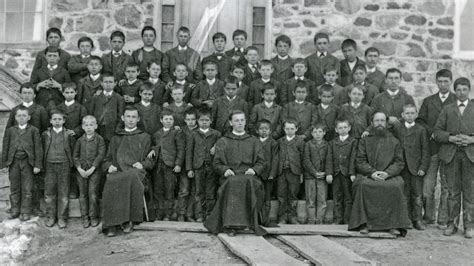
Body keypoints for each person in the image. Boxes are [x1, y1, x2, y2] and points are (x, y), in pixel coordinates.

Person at [349, 112, 411, 236]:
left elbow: (399, 162)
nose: (379, 123)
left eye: (382, 121)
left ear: (387, 123)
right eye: (377, 121)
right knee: (362, 186)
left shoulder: (394, 141)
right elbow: (360, 161)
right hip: (369, 174)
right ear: (372, 123)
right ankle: (364, 223)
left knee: (396, 186)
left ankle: (393, 225)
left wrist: (387, 173)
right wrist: (372, 173)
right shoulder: (365, 140)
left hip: (389, 175)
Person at [204, 110, 265, 235]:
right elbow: (217, 163)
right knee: (232, 184)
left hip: (248, 176)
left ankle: (248, 223)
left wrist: (254, 170)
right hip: (230, 176)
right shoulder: (223, 141)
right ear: (231, 123)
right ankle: (230, 225)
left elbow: (261, 162)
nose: (240, 123)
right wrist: (225, 170)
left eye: (242, 120)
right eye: (237, 120)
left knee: (251, 184)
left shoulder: (253, 141)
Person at [102, 106, 153, 236]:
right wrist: (109, 166)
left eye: (133, 117)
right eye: (128, 117)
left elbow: (150, 160)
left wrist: (142, 164)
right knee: (111, 179)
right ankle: (112, 223)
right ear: (123, 118)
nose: (131, 120)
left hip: (136, 171)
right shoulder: (116, 138)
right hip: (119, 170)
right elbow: (106, 159)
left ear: (138, 119)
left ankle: (128, 221)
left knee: (131, 177)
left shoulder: (145, 137)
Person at [433, 77, 474, 239]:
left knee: (471, 193)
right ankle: (452, 224)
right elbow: (437, 132)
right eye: (458, 90)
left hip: (471, 156)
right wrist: (451, 138)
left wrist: (471, 139)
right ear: (454, 91)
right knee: (452, 192)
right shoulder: (447, 109)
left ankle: (470, 225)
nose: (461, 92)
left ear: (469, 90)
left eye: (464, 89)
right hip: (451, 156)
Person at [416, 69, 456, 228]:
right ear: (436, 82)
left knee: (447, 186)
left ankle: (443, 219)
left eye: (446, 81)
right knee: (428, 186)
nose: (443, 84)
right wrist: (432, 133)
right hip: (431, 148)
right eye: (440, 81)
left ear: (451, 82)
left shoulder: (455, 100)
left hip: (449, 149)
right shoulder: (428, 101)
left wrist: (445, 135)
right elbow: (420, 121)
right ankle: (429, 216)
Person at [1, 107, 42, 221]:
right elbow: (5, 148)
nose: (21, 118)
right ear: (15, 117)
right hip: (13, 162)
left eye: (24, 115)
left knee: (27, 188)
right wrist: (4, 164)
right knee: (14, 187)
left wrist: (37, 165)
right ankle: (15, 210)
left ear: (28, 117)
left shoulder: (33, 130)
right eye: (19, 116)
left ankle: (25, 211)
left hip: (27, 163)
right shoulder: (10, 131)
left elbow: (38, 149)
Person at [393, 104, 430, 230]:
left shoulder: (421, 130)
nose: (409, 116)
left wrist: (423, 167)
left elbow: (425, 150)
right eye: (407, 113)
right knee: (405, 194)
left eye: (412, 113)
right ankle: (406, 219)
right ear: (402, 115)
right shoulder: (398, 128)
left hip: (416, 168)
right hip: (402, 167)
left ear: (416, 114)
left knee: (417, 195)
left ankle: (417, 219)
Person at [148, 109, 185, 221]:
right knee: (158, 190)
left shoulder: (177, 132)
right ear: (161, 120)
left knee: (169, 189)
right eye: (166, 119)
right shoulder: (157, 134)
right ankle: (159, 213)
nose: (168, 121)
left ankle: (168, 214)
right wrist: (153, 149)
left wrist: (178, 164)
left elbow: (181, 149)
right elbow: (156, 145)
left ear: (174, 121)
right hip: (158, 165)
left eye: (171, 119)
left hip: (170, 165)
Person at [186, 108, 221, 222]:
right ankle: (199, 215)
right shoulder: (193, 134)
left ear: (211, 121)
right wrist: (189, 168)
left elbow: (222, 146)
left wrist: (216, 147)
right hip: (198, 167)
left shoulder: (216, 134)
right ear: (197, 121)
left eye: (207, 120)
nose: (204, 122)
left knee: (210, 191)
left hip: (211, 167)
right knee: (198, 191)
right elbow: (189, 152)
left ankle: (209, 214)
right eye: (202, 120)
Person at [73, 115, 106, 228]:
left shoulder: (99, 139)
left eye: (91, 125)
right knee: (83, 195)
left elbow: (101, 155)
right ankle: (85, 217)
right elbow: (75, 156)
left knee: (92, 194)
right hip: (81, 171)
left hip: (94, 171)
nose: (89, 127)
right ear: (82, 127)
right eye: (86, 125)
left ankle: (93, 216)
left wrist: (93, 168)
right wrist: (79, 168)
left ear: (96, 126)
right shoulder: (79, 140)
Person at [43, 109, 74, 229]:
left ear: (64, 121)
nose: (57, 121)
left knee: (63, 193)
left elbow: (72, 149)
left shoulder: (68, 134)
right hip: (50, 165)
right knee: (49, 192)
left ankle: (62, 217)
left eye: (59, 119)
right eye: (54, 119)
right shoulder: (46, 134)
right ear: (50, 121)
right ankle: (50, 216)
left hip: (64, 165)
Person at [326, 120, 357, 224]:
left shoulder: (353, 141)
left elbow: (353, 158)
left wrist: (352, 173)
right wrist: (329, 173)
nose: (343, 130)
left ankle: (348, 220)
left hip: (347, 173)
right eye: (340, 128)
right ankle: (338, 219)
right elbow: (329, 158)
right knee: (337, 197)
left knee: (348, 197)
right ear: (336, 130)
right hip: (336, 173)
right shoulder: (332, 142)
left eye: (345, 127)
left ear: (349, 128)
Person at [276, 119, 305, 224]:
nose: (289, 131)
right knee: (282, 194)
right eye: (287, 128)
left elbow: (303, 158)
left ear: (296, 129)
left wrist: (302, 173)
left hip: (295, 172)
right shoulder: (280, 141)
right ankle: (282, 216)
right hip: (282, 172)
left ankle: (292, 216)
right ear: (284, 129)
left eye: (292, 128)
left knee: (293, 193)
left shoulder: (300, 141)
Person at [30, 47, 71, 111]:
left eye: (55, 56)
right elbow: (31, 86)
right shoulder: (39, 71)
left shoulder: (64, 72)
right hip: (41, 103)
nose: (52, 58)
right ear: (45, 57)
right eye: (49, 55)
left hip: (59, 104)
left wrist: (59, 86)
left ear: (59, 58)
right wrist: (39, 85)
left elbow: (70, 87)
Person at [303, 124, 328, 224]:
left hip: (322, 176)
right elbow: (306, 160)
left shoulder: (327, 145)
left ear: (324, 133)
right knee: (310, 198)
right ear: (312, 133)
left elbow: (329, 160)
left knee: (322, 198)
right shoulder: (308, 144)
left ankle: (319, 219)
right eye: (315, 132)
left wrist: (325, 173)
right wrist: (314, 172)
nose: (317, 134)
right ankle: (311, 219)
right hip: (310, 176)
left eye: (320, 132)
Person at [89, 72, 125, 144]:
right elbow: (91, 113)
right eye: (106, 82)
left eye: (110, 82)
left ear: (115, 83)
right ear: (101, 83)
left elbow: (120, 116)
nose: (108, 84)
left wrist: (117, 130)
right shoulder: (96, 97)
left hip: (112, 130)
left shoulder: (119, 98)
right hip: (98, 129)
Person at [255, 119, 279, 227]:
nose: (264, 131)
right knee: (257, 196)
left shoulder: (273, 143)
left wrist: (272, 173)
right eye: (261, 129)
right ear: (257, 131)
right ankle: (256, 219)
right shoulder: (254, 141)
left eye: (266, 129)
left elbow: (275, 159)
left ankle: (265, 219)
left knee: (267, 197)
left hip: (268, 174)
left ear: (270, 130)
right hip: (256, 174)